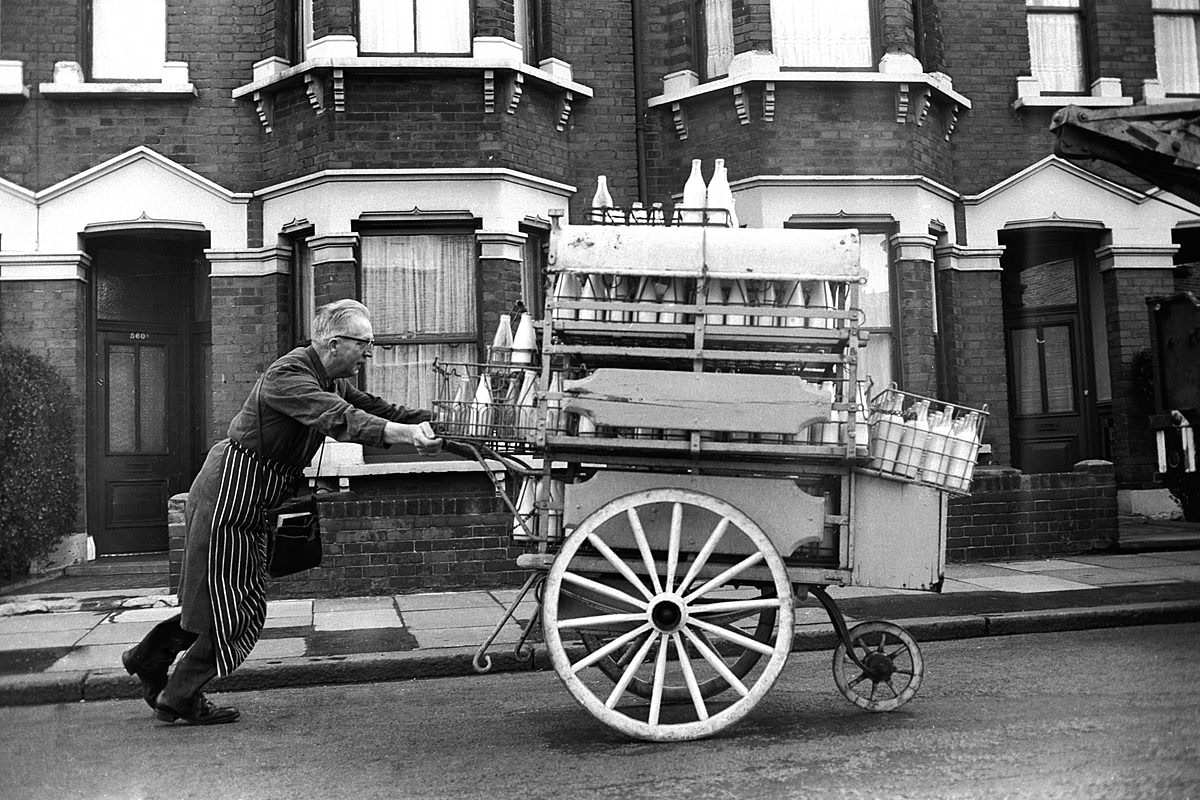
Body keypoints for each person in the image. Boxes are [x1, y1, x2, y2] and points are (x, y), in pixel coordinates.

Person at [122, 299, 443, 724]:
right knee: (238, 610)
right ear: (334, 343)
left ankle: (149, 658)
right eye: (365, 344)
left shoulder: (331, 380)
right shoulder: (288, 375)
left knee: (226, 602)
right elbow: (339, 420)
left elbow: (377, 410)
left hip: (250, 500)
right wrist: (403, 435)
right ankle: (178, 694)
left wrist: (448, 422)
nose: (369, 352)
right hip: (228, 496)